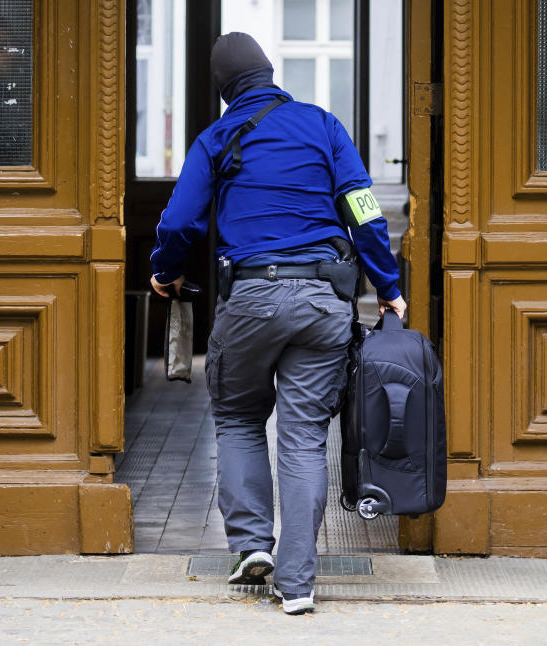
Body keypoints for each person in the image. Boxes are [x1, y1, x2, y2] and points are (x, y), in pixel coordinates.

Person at [149, 32, 406, 615]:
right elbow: (362, 207)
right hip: (322, 303)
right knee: (303, 438)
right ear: (269, 74)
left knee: (239, 418)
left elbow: (181, 219)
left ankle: (249, 547)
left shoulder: (217, 137)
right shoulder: (322, 124)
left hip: (250, 300)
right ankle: (298, 584)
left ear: (223, 91)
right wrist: (389, 289)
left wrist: (163, 271)